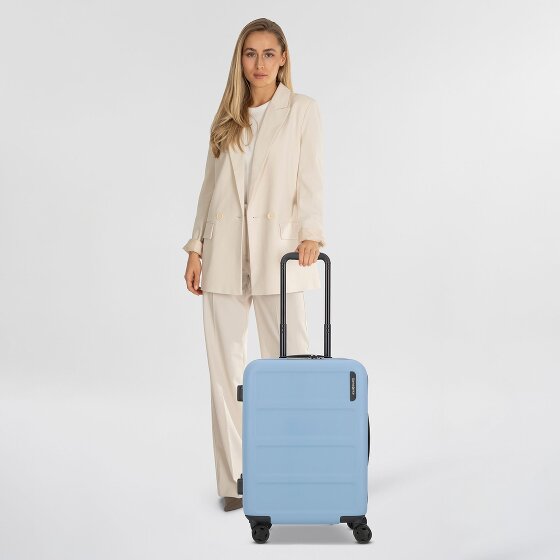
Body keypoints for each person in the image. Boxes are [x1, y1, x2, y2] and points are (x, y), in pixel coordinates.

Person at [182, 18, 325, 512]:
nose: (259, 63)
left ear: (283, 59)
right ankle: (235, 481)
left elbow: (311, 180)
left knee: (293, 365)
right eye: (250, 53)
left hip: (279, 252)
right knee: (225, 372)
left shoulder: (302, 111)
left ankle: (297, 470)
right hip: (223, 253)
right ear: (240, 60)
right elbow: (209, 189)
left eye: (268, 53)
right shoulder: (226, 116)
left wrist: (311, 232)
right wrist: (196, 247)